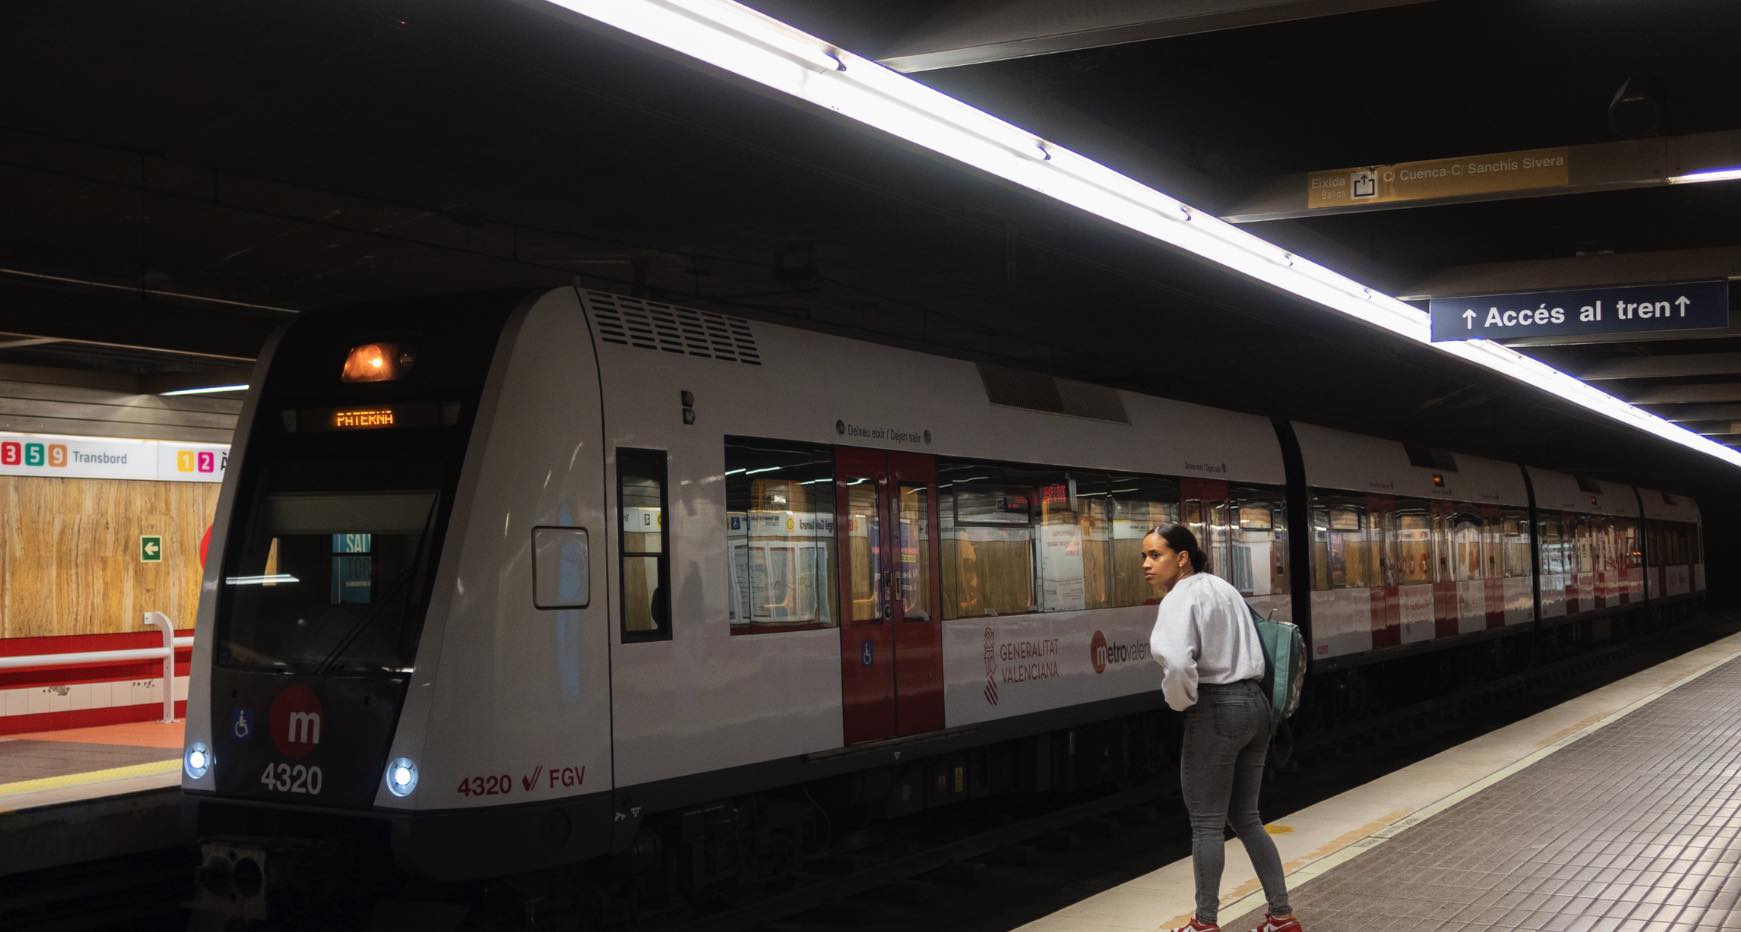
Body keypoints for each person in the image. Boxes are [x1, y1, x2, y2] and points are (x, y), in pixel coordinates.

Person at [1144, 523, 1301, 932]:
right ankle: (1282, 916)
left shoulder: (1178, 599)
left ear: (1181, 558)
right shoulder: (1223, 588)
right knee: (1247, 818)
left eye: (1154, 555)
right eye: (1143, 556)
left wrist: (1181, 702)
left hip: (1216, 709)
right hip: (1256, 705)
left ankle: (1205, 923)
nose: (1146, 564)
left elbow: (1178, 663)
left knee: (1207, 825)